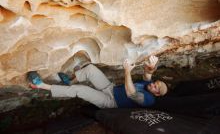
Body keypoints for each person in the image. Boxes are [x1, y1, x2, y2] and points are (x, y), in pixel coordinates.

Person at [27, 55, 168, 108]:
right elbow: (148, 74)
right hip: (111, 88)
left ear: (157, 94)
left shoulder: (149, 100)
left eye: (156, 87)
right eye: (156, 83)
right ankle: (70, 81)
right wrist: (151, 67)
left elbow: (131, 93)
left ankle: (40, 85)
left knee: (80, 91)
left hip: (111, 102)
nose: (154, 85)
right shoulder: (148, 84)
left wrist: (126, 71)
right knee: (91, 69)